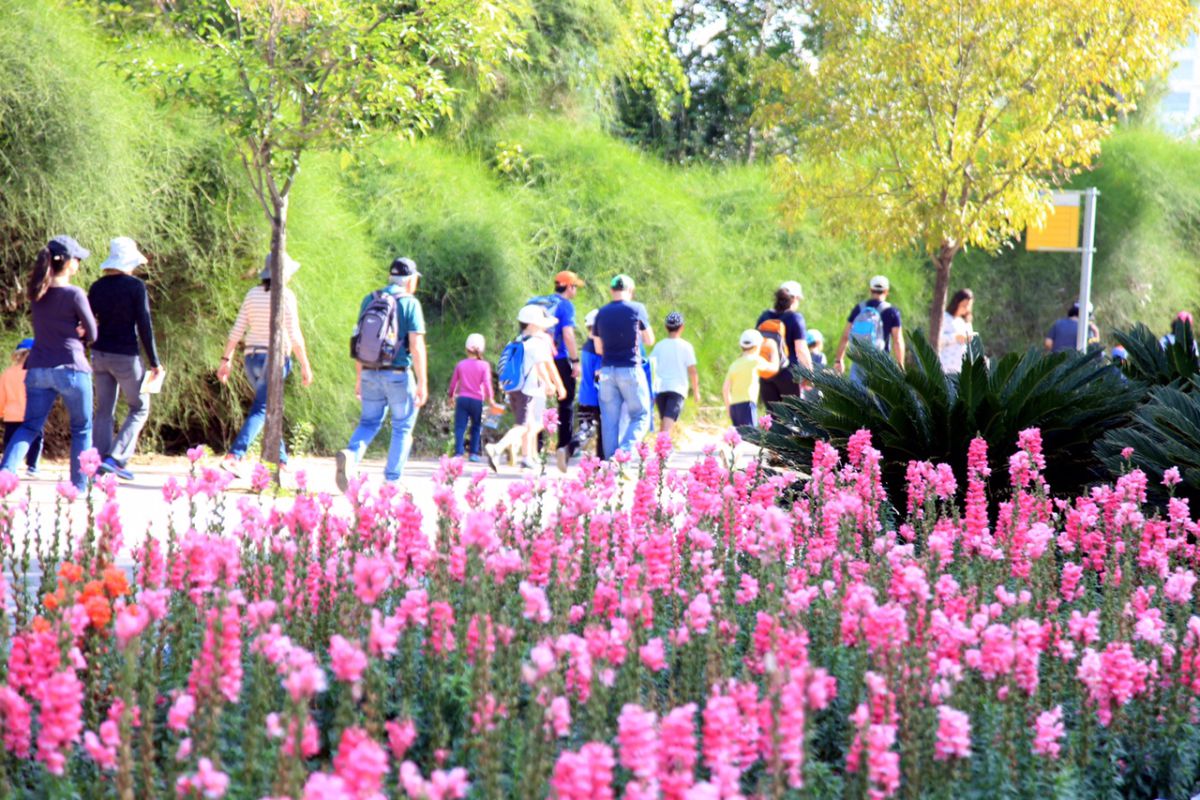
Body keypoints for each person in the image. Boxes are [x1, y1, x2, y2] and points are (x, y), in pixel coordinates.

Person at [0, 236, 97, 492]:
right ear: (66, 262)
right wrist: (81, 331)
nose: (78, 262)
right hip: (71, 368)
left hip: (38, 369)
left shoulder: (37, 294)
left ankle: (4, 476)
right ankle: (79, 486)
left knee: (30, 426)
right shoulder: (75, 294)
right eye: (76, 258)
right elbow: (93, 333)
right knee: (82, 428)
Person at [336, 257, 429, 491]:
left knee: (368, 421)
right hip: (398, 374)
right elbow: (416, 347)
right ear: (410, 280)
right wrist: (422, 383)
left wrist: (359, 377)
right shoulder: (410, 303)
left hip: (369, 371)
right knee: (402, 426)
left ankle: (351, 455)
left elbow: (359, 341)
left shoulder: (370, 299)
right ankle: (392, 479)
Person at [217, 253, 314, 475]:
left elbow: (238, 329)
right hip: (275, 359)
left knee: (270, 407)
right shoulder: (286, 296)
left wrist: (226, 359)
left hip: (252, 359)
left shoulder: (252, 294)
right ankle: (234, 456)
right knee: (264, 408)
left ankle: (281, 461)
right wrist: (306, 365)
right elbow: (295, 335)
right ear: (283, 273)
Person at [88, 237, 162, 480]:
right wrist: (154, 361)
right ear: (129, 262)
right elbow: (144, 325)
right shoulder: (135, 287)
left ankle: (99, 462)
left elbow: (88, 322)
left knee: (104, 410)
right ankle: (116, 458)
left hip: (99, 354)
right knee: (140, 407)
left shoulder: (97, 287)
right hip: (126, 356)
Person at [484, 305, 566, 471]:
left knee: (528, 424)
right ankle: (497, 448)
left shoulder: (516, 340)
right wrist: (551, 385)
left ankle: (527, 458)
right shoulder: (537, 343)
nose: (545, 327)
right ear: (533, 324)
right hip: (527, 390)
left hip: (513, 388)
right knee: (522, 425)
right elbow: (542, 367)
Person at [592, 274, 654, 459]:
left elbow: (597, 347)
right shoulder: (637, 308)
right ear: (631, 290)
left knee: (609, 421)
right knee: (641, 415)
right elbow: (649, 339)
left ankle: (611, 468)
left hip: (607, 371)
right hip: (630, 368)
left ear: (611, 291)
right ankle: (621, 457)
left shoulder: (601, 313)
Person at [529, 271, 586, 471]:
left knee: (536, 401)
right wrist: (575, 361)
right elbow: (568, 335)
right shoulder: (566, 306)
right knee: (566, 403)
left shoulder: (540, 302)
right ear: (569, 287)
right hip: (559, 359)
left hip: (536, 356)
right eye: (575, 286)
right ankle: (563, 447)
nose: (576, 290)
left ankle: (535, 447)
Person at [834, 275, 904, 383]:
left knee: (856, 396)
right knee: (881, 397)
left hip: (859, 358)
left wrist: (839, 360)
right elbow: (897, 341)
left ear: (871, 290)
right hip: (881, 361)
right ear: (886, 291)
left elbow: (845, 336)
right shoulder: (892, 312)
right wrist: (900, 366)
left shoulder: (859, 308)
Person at [756, 281, 812, 404]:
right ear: (795, 298)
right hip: (788, 374)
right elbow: (801, 350)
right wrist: (809, 374)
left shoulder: (764, 317)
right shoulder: (795, 318)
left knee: (772, 418)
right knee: (792, 416)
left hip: (767, 372)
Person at [448, 333, 500, 462]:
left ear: (466, 349)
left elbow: (454, 383)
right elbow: (487, 384)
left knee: (460, 426)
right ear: (482, 350)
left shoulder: (461, 364)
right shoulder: (484, 366)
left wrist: (451, 396)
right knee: (476, 426)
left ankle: (459, 452)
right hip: (477, 400)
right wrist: (491, 399)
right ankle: (473, 453)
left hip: (462, 399)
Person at [649, 312, 700, 435]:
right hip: (677, 388)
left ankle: (662, 447)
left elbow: (651, 367)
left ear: (666, 327)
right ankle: (663, 448)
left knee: (665, 419)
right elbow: (692, 371)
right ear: (682, 327)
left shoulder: (659, 346)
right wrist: (696, 391)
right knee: (669, 419)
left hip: (660, 389)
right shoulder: (686, 346)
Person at [0, 339, 40, 477]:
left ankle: (9, 466)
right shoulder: (37, 373)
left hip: (11, 415)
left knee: (10, 442)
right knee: (35, 441)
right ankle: (32, 466)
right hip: (32, 414)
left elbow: (1, 395)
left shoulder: (8, 373)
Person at [723, 329, 778, 428]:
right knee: (750, 437)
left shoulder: (734, 364)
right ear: (757, 346)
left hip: (734, 406)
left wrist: (729, 409)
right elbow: (774, 368)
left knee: (739, 437)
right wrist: (774, 350)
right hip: (748, 404)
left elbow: (725, 389)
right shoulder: (756, 361)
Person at [575, 309, 603, 460]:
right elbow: (599, 374)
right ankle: (572, 448)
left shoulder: (586, 346)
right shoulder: (597, 349)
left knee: (585, 429)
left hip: (584, 395)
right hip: (596, 396)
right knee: (599, 431)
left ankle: (570, 449)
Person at [939, 288, 975, 375]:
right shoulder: (945, 317)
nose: (966, 308)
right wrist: (955, 337)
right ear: (957, 302)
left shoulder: (966, 322)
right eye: (964, 305)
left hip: (961, 368)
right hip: (946, 365)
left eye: (969, 305)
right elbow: (938, 339)